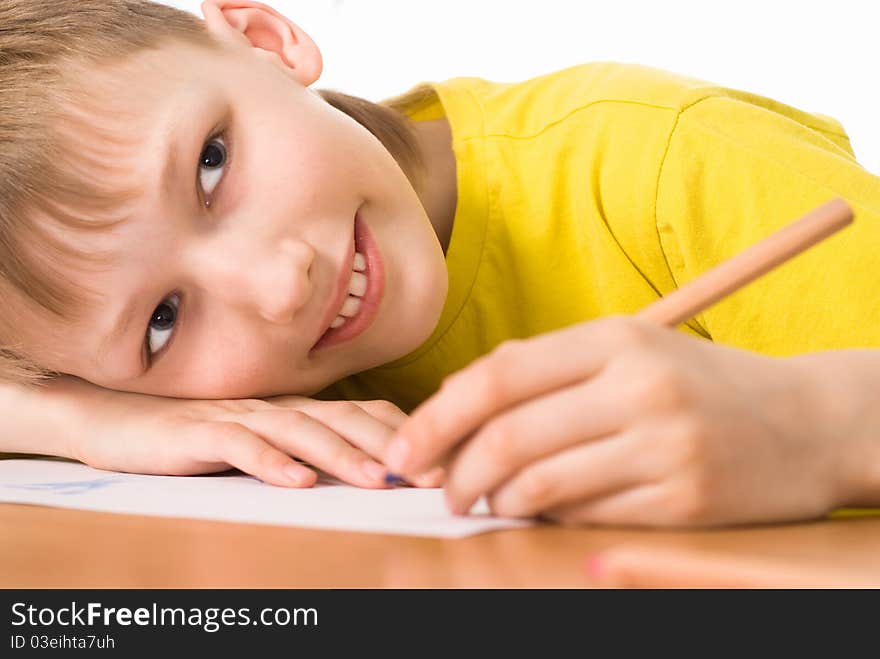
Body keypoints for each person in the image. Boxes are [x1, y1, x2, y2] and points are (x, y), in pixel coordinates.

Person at [1, 0, 878, 528]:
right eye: (162, 321)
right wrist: (89, 422)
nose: (278, 286)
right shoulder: (188, 400)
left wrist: (816, 430)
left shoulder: (664, 160)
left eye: (211, 163)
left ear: (264, 37)